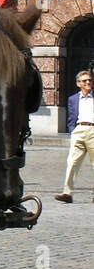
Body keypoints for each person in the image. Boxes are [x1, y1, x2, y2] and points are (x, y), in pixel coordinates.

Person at [55, 69, 94, 203]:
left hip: (93, 130)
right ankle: (67, 193)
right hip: (78, 131)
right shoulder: (73, 99)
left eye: (89, 80)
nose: (88, 82)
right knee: (72, 163)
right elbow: (71, 118)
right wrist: (73, 131)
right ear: (78, 84)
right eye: (84, 81)